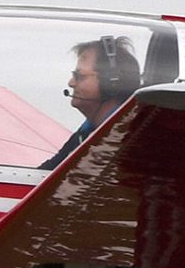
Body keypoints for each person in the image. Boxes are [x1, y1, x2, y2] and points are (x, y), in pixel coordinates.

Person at [41, 35, 141, 169]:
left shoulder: (129, 140)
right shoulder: (84, 135)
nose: (71, 83)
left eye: (79, 76)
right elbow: (47, 172)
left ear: (111, 83)